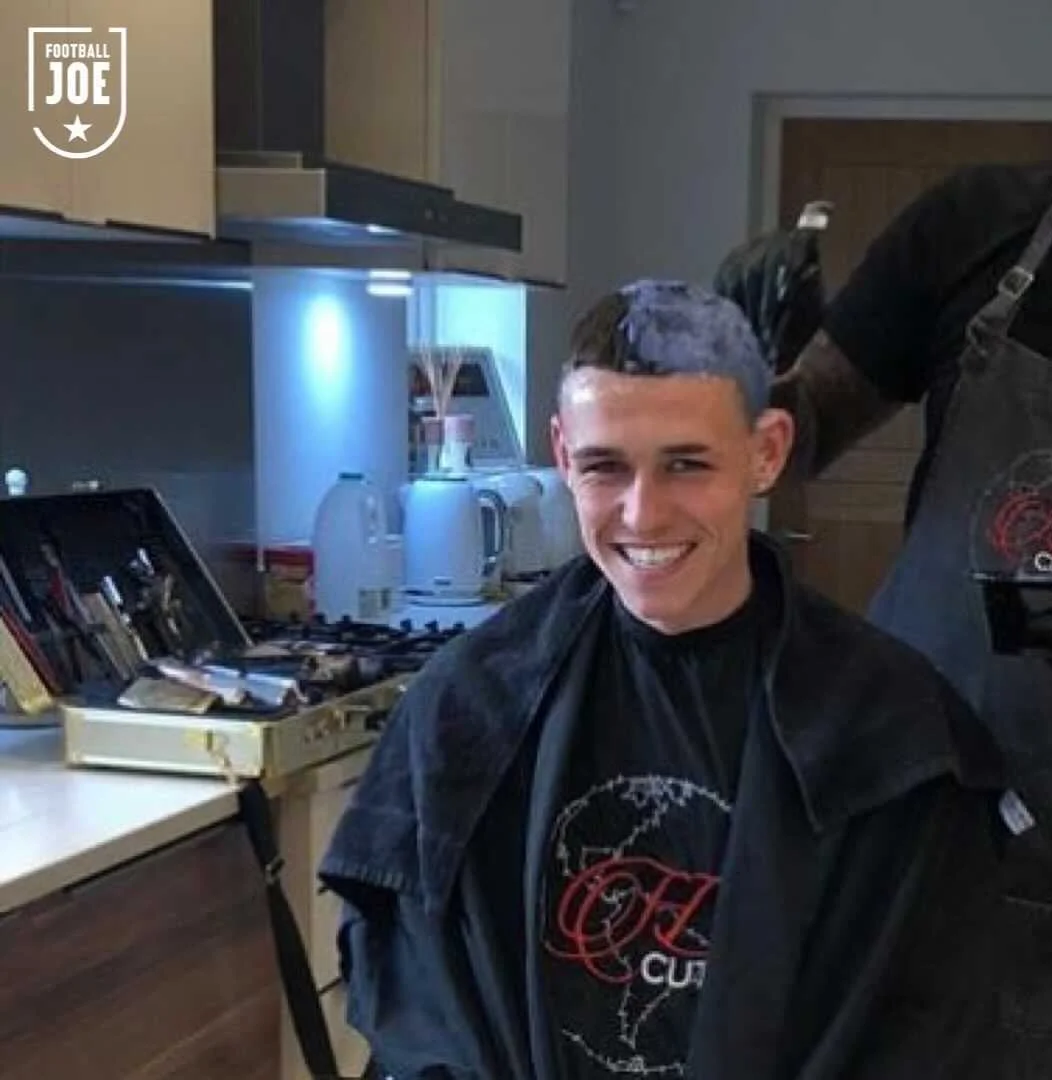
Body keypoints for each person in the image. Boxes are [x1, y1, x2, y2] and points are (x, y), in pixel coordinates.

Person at [319, 279, 1007, 1080]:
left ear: (766, 451)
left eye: (687, 464)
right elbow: (415, 995)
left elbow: (924, 1019)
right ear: (562, 455)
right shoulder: (468, 704)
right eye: (605, 467)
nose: (644, 514)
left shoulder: (893, 728)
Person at [753, 156, 1052, 1071]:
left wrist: (1026, 614)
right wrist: (742, 382)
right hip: (926, 857)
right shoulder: (981, 224)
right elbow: (794, 437)